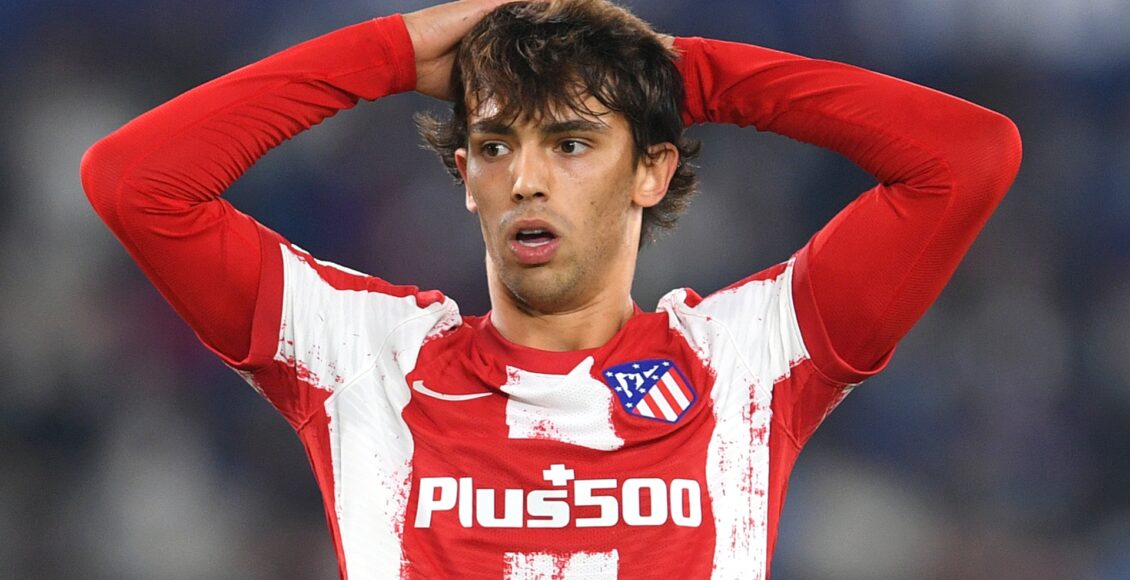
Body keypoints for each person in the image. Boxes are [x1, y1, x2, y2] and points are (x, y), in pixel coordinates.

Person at [80, 0, 1021, 577]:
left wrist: (684, 75)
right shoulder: (365, 360)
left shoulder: (745, 361)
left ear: (650, 170)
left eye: (571, 142)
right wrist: (389, 54)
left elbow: (968, 157)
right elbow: (134, 182)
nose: (526, 178)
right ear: (465, 176)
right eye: (496, 145)